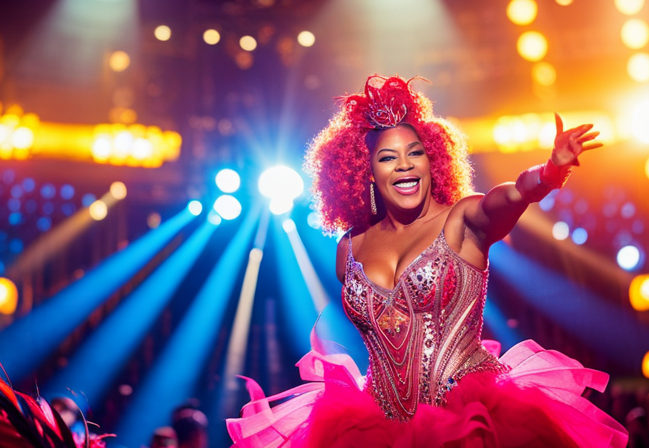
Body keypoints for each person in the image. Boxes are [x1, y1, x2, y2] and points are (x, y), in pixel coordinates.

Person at [226, 75, 629, 447]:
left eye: (414, 153)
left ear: (432, 160)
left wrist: (548, 172)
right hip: (374, 429)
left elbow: (508, 197)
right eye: (388, 158)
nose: (405, 164)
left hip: (471, 422)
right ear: (365, 172)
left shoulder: (463, 219)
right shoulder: (349, 247)